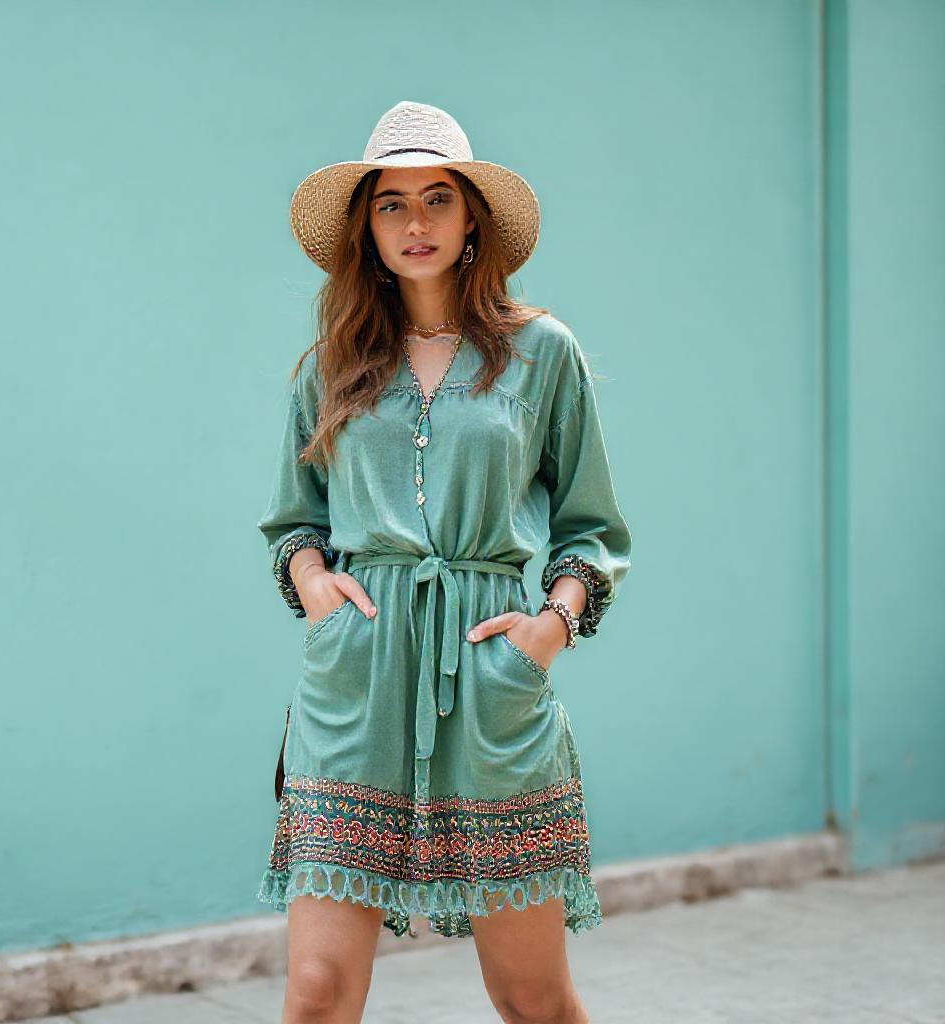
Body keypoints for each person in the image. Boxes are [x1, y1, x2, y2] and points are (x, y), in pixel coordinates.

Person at [256, 99, 632, 1023]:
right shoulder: (331, 363)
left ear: (472, 221)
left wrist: (549, 630)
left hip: (490, 676)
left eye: (437, 199)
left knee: (533, 997)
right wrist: (315, 587)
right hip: (358, 682)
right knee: (316, 992)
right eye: (391, 203)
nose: (414, 222)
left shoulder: (543, 354)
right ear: (367, 227)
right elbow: (294, 522)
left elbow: (592, 528)